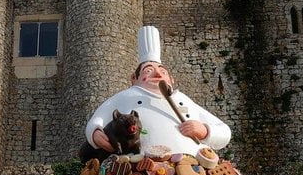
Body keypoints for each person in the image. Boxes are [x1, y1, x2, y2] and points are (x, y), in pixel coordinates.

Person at [85, 26, 231, 156]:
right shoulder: (125, 96)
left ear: (172, 80)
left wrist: (205, 131)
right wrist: (95, 133)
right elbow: (97, 120)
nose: (158, 74)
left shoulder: (184, 99)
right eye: (148, 70)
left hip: (192, 167)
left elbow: (224, 131)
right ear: (134, 78)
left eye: (163, 72)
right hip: (139, 166)